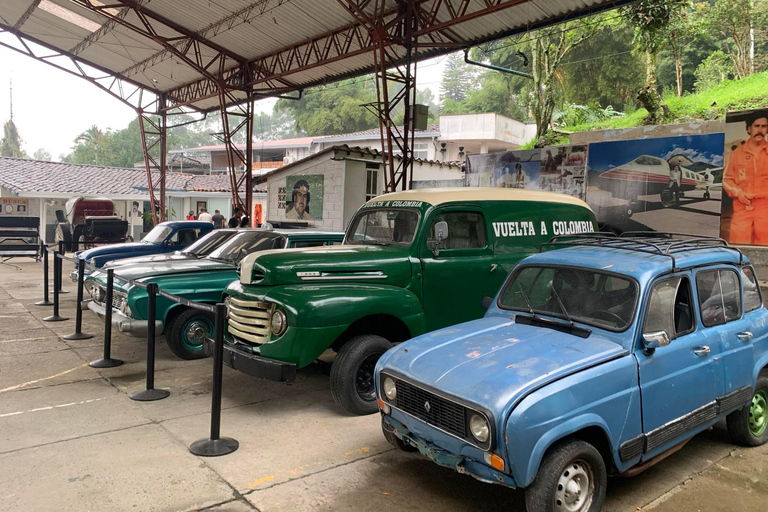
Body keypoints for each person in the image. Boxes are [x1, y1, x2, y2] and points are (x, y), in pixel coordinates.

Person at [723, 111, 768, 244]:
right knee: (738, 246)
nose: (760, 130)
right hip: (742, 208)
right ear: (749, 128)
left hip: (765, 208)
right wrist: (738, 192)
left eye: (764, 126)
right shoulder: (737, 154)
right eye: (756, 126)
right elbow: (726, 179)